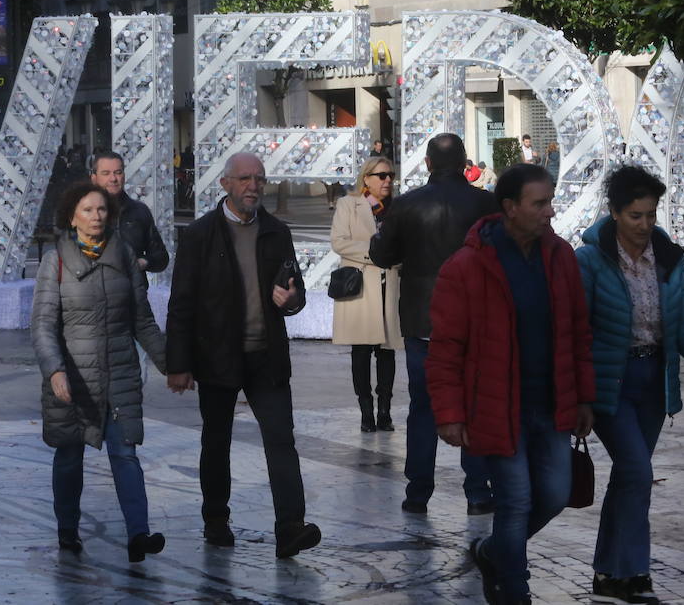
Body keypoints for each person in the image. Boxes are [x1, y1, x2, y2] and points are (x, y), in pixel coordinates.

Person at [428, 163, 596, 605]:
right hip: (497, 408)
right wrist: (449, 414)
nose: (549, 211)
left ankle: (491, 551)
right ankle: (514, 592)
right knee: (516, 501)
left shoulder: (560, 257)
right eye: (539, 203)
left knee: (557, 495)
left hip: (552, 403)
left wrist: (583, 398)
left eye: (550, 201)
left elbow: (579, 332)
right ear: (510, 208)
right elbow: (445, 348)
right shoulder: (465, 267)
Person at [577, 166, 684, 605]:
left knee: (629, 477)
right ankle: (633, 572)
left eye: (650, 214)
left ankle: (610, 573)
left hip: (652, 382)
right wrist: (579, 394)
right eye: (634, 216)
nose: (644, 225)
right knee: (638, 473)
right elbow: (574, 331)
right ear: (614, 213)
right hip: (611, 382)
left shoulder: (668, 258)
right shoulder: (589, 260)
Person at [165, 152, 321, 559]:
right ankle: (216, 519)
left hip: (266, 357)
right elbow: (181, 303)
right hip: (217, 357)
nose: (254, 186)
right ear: (226, 185)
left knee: (281, 440)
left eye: (260, 179)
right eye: (246, 178)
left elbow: (295, 290)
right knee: (216, 443)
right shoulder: (200, 235)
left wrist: (291, 299)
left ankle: (290, 527)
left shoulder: (276, 232)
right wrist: (178, 364)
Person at [32, 182, 169, 561]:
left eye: (102, 210)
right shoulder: (55, 260)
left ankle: (138, 535)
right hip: (73, 379)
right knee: (69, 456)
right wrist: (55, 371)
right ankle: (67, 530)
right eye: (88, 210)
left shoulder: (124, 254)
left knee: (125, 453)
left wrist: (171, 366)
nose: (96, 217)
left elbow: (142, 320)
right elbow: (42, 325)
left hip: (119, 375)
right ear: (72, 216)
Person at [370, 133, 498, 515]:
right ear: (464, 164)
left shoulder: (407, 205)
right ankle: (478, 491)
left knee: (423, 407)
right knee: (474, 403)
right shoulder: (486, 204)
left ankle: (417, 492)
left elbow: (382, 255)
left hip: (422, 321)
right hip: (474, 321)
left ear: (427, 164)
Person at [331, 156, 403, 433]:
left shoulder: (397, 207)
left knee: (387, 352)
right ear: (367, 178)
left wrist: (393, 258)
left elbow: (404, 246)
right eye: (381, 175)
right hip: (360, 288)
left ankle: (384, 411)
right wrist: (377, 255)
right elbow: (339, 242)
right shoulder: (348, 204)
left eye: (390, 176)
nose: (387, 180)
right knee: (360, 352)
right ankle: (366, 412)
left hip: (389, 285)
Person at [89, 150, 169, 275]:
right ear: (94, 178)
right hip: (92, 290)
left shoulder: (139, 211)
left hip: (133, 289)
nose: (113, 179)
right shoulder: (81, 213)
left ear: (124, 176)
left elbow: (161, 257)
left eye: (118, 172)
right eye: (106, 173)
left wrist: (142, 263)